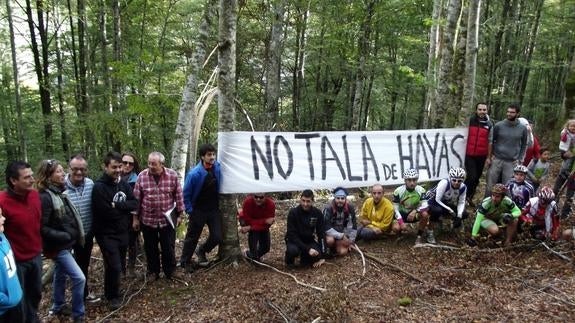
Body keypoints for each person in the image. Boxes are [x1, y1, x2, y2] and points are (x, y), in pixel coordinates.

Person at [37, 159, 86, 323]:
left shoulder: (59, 192)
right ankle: (78, 314)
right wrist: (64, 236)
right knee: (79, 278)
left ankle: (58, 305)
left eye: (61, 170)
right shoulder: (45, 197)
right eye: (58, 171)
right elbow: (42, 228)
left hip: (66, 243)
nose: (62, 173)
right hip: (58, 247)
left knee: (60, 274)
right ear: (48, 176)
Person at [92, 152, 138, 310]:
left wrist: (117, 205)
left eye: (120, 166)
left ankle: (111, 291)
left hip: (122, 232)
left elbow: (135, 203)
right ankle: (112, 297)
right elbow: (105, 212)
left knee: (118, 265)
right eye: (114, 167)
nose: (118, 170)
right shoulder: (99, 187)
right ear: (105, 167)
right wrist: (122, 211)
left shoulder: (123, 184)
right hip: (106, 233)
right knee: (114, 265)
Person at [0, 161, 42, 323]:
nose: (32, 179)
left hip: (36, 254)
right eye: (27, 177)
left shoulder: (35, 195)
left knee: (36, 292)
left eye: (32, 175)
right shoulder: (2, 201)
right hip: (16, 261)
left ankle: (33, 317)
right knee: (19, 299)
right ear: (13, 181)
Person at [133, 152, 185, 280]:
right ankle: (153, 271)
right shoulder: (142, 176)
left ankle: (170, 270)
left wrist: (180, 215)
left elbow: (178, 196)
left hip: (167, 220)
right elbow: (136, 199)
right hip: (148, 219)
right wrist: (135, 218)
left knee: (168, 246)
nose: (150, 166)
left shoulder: (172, 175)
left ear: (162, 164)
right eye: (149, 163)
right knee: (150, 247)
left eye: (154, 164)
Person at [180, 144, 222, 269]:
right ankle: (185, 261)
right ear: (202, 157)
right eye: (209, 155)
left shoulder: (217, 168)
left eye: (213, 154)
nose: (212, 157)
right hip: (198, 210)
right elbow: (185, 194)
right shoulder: (194, 174)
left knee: (217, 236)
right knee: (192, 237)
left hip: (213, 209)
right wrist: (190, 210)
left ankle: (202, 250)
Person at [66, 154, 99, 303]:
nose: (79, 172)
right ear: (69, 169)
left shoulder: (91, 184)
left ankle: (83, 295)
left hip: (87, 234)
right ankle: (61, 303)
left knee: (83, 264)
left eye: (82, 169)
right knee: (64, 270)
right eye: (75, 169)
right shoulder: (62, 187)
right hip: (68, 237)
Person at [484, 103, 529, 197]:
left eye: (512, 112)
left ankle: (505, 207)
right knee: (490, 185)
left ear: (518, 114)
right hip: (497, 159)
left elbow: (524, 144)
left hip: (511, 162)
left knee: (508, 187)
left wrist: (520, 158)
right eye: (508, 112)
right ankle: (485, 205)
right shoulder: (498, 125)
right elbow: (491, 141)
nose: (509, 114)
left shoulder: (522, 128)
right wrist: (489, 157)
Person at [426, 167, 468, 243]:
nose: (456, 182)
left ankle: (454, 227)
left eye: (459, 181)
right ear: (450, 178)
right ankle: (430, 231)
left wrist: (459, 216)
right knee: (437, 211)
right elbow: (437, 200)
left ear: (463, 180)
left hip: (444, 203)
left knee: (464, 213)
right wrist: (450, 210)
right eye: (454, 180)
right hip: (432, 200)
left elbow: (461, 202)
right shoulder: (444, 183)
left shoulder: (463, 187)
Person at [285, 190, 325, 268]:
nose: (305, 204)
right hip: (294, 241)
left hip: (308, 240)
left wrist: (322, 255)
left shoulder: (317, 213)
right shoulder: (293, 212)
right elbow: (291, 234)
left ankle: (304, 257)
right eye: (303, 201)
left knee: (317, 254)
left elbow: (321, 233)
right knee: (293, 251)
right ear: (300, 199)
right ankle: (289, 261)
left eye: (308, 201)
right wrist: (308, 249)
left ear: (312, 201)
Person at [464, 103, 493, 206]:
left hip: (481, 156)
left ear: (487, 111)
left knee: (476, 179)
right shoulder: (470, 121)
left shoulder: (489, 124)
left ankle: (469, 197)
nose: (482, 111)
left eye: (484, 110)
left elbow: (490, 141)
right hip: (469, 154)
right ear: (476, 110)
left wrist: (489, 157)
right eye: (480, 109)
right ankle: (463, 196)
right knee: (472, 176)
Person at [392, 169, 430, 245]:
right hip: (401, 214)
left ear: (417, 180)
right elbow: (395, 209)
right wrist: (401, 222)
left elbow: (425, 205)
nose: (412, 183)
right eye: (409, 180)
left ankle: (419, 236)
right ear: (405, 180)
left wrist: (416, 210)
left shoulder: (421, 190)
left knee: (425, 215)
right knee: (396, 228)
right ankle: (399, 234)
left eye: (414, 180)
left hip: (414, 214)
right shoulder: (398, 191)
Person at [0, 207, 23, 321]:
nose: (3, 218)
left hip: (16, 306)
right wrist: (8, 300)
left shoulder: (2, 237)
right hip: (3, 312)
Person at [121, 152, 141, 277]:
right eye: (125, 162)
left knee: (132, 243)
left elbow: (137, 200)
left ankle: (131, 269)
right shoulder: (114, 177)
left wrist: (135, 218)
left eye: (130, 163)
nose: (127, 165)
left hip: (131, 216)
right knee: (120, 244)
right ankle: (121, 269)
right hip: (117, 217)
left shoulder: (137, 179)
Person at [238, 193, 275, 261]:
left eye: (261, 197)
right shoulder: (247, 202)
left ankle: (250, 255)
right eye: (256, 197)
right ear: (253, 196)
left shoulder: (271, 204)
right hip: (245, 221)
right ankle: (253, 255)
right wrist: (264, 221)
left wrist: (250, 227)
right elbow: (248, 221)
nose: (258, 199)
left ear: (266, 196)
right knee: (254, 233)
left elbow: (268, 224)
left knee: (266, 248)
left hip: (260, 226)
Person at [322, 187, 357, 257]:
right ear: (334, 198)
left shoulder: (350, 208)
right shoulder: (328, 209)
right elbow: (326, 227)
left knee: (342, 252)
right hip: (330, 234)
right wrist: (341, 236)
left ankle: (337, 247)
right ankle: (328, 249)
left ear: (345, 199)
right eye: (338, 198)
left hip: (342, 234)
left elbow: (353, 225)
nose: (340, 201)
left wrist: (351, 241)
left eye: (342, 198)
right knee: (330, 241)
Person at [553, 119, 575, 195]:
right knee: (565, 167)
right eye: (572, 126)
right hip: (565, 151)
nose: (573, 128)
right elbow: (562, 135)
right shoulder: (566, 132)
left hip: (572, 175)